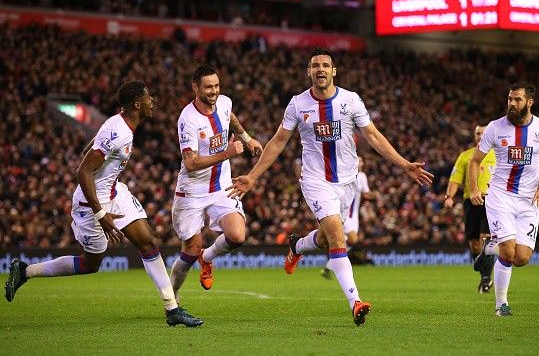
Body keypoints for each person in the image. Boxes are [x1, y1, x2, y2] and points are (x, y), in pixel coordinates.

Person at [227, 47, 433, 326]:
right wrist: (252, 176)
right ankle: (356, 302)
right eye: (315, 65)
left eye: (325, 65)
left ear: (334, 71)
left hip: (347, 182)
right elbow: (278, 141)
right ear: (309, 72)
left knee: (324, 239)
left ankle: (298, 246)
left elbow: (372, 135)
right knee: (338, 237)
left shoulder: (350, 100)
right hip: (315, 180)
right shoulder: (298, 104)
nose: (320, 69)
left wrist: (404, 164)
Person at [4, 81, 203, 327]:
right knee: (90, 265)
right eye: (149, 97)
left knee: (148, 242)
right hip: (91, 202)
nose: (153, 101)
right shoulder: (118, 131)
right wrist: (100, 213)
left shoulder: (120, 125)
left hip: (113, 192)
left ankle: (172, 308)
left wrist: (97, 154)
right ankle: (24, 271)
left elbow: (92, 147)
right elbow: (82, 172)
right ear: (137, 105)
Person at [168, 64, 263, 303]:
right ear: (195, 88)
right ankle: (172, 298)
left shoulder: (224, 102)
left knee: (237, 235)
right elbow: (190, 163)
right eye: (208, 87)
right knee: (190, 249)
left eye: (216, 86)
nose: (214, 91)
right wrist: (228, 153)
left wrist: (247, 138)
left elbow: (230, 117)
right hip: (192, 193)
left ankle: (207, 258)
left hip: (221, 187)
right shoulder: (187, 119)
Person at [470, 81, 539, 316]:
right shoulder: (495, 127)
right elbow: (475, 160)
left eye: (517, 100)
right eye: (509, 99)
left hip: (529, 200)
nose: (512, 103)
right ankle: (501, 305)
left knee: (522, 258)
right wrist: (474, 189)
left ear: (529, 102)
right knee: (508, 254)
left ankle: (490, 248)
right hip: (500, 197)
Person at [443, 125, 496, 293]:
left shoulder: (498, 155)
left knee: (486, 238)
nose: (480, 136)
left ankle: (487, 279)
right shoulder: (465, 156)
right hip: (471, 202)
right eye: (478, 133)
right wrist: (449, 197)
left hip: (491, 200)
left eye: (483, 133)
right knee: (474, 242)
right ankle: (484, 276)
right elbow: (455, 179)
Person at [321, 156, 375, 279]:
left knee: (345, 243)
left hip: (352, 216)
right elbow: (367, 193)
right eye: (359, 160)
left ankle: (329, 267)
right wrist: (376, 194)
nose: (362, 162)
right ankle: (358, 262)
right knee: (354, 241)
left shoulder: (352, 175)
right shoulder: (360, 176)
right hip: (347, 215)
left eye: (362, 160)